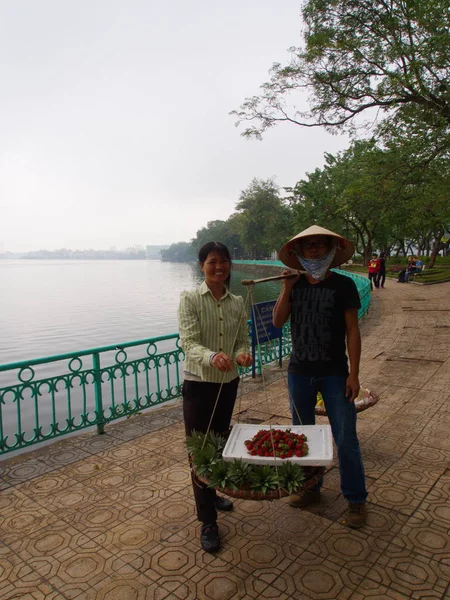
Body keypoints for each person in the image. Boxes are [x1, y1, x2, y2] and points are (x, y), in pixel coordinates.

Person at [273, 225, 368, 528]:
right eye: (308, 246)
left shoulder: (343, 286)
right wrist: (287, 288)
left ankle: (355, 500)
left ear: (330, 250)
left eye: (319, 245)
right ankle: (310, 489)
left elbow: (353, 330)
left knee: (346, 437)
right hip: (300, 372)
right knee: (304, 437)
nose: (314, 250)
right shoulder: (294, 284)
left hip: (334, 373)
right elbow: (277, 321)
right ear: (299, 253)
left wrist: (354, 374)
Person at [178, 242, 252, 553]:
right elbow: (188, 341)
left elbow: (241, 340)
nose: (218, 267)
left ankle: (214, 491)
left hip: (228, 382)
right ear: (201, 266)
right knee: (200, 450)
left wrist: (243, 355)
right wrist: (210, 357)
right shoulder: (190, 298)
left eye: (223, 262)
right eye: (212, 262)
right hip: (199, 384)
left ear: (229, 266)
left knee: (221, 442)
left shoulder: (236, 302)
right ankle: (207, 521)